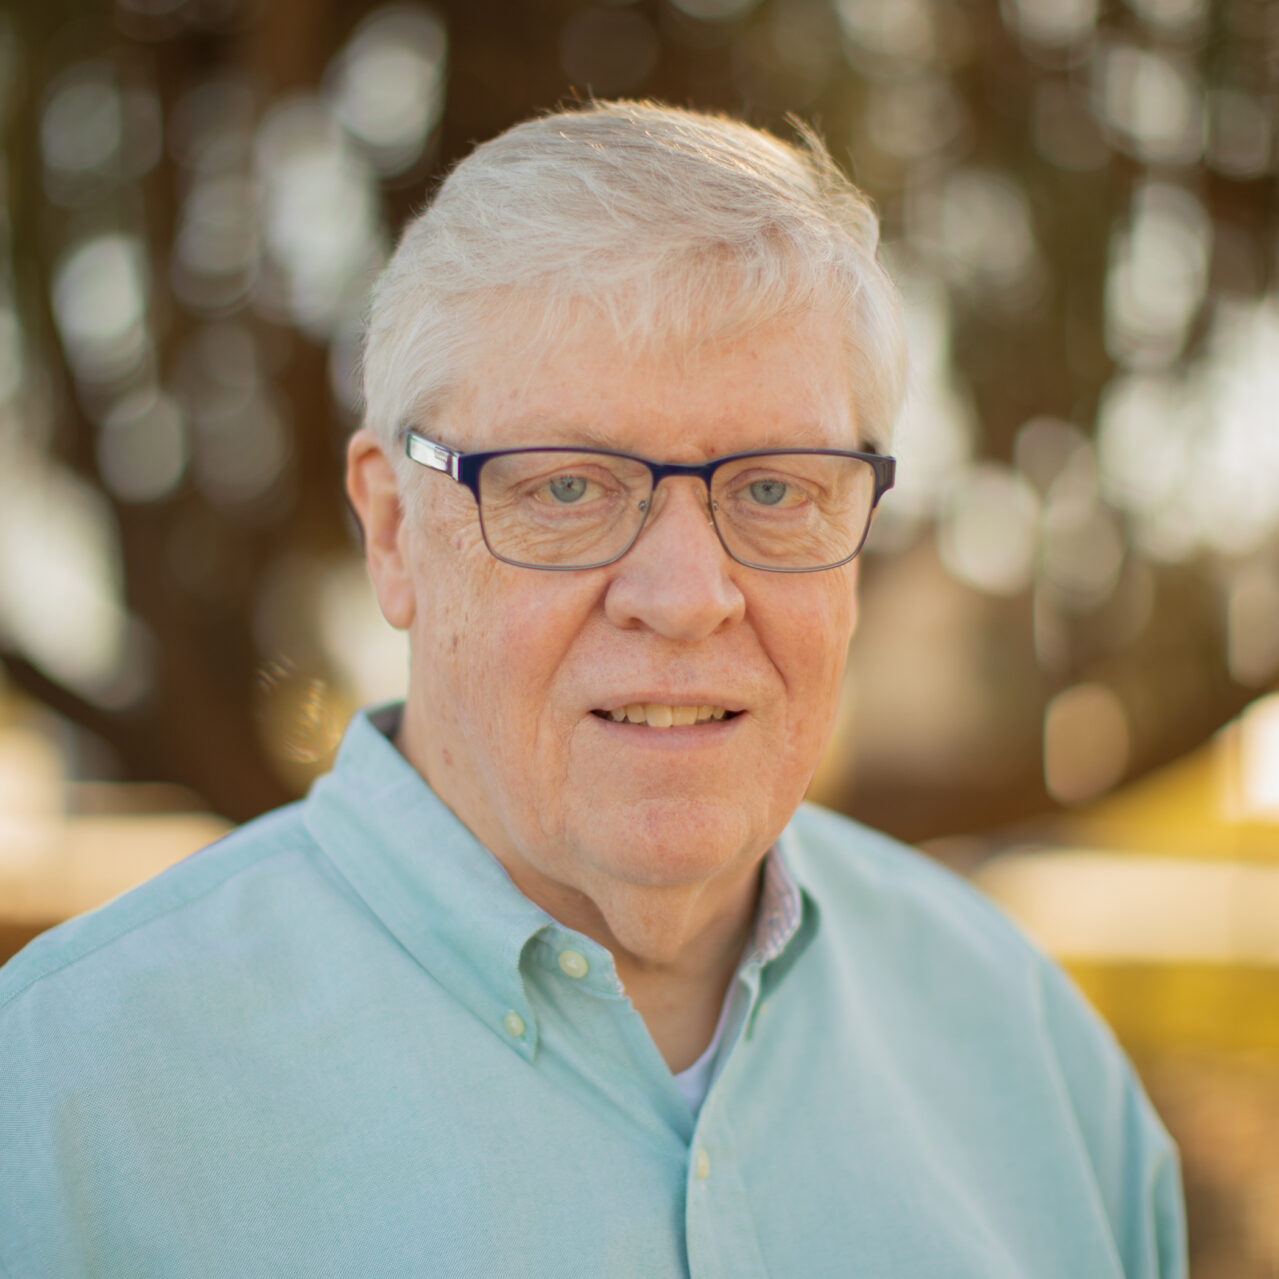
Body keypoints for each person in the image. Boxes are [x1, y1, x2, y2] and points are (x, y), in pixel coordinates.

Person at [0, 101, 1185, 1279]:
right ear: (393, 532)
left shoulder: (1029, 1052)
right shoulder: (63, 1098)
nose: (686, 597)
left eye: (775, 490)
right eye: (566, 487)